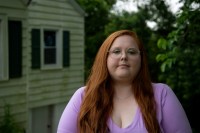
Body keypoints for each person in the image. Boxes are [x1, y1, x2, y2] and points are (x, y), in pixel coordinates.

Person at [57, 30, 192, 133]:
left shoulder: (162, 94)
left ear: (141, 59)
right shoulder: (83, 97)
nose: (124, 57)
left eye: (132, 52)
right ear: (105, 58)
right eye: (116, 51)